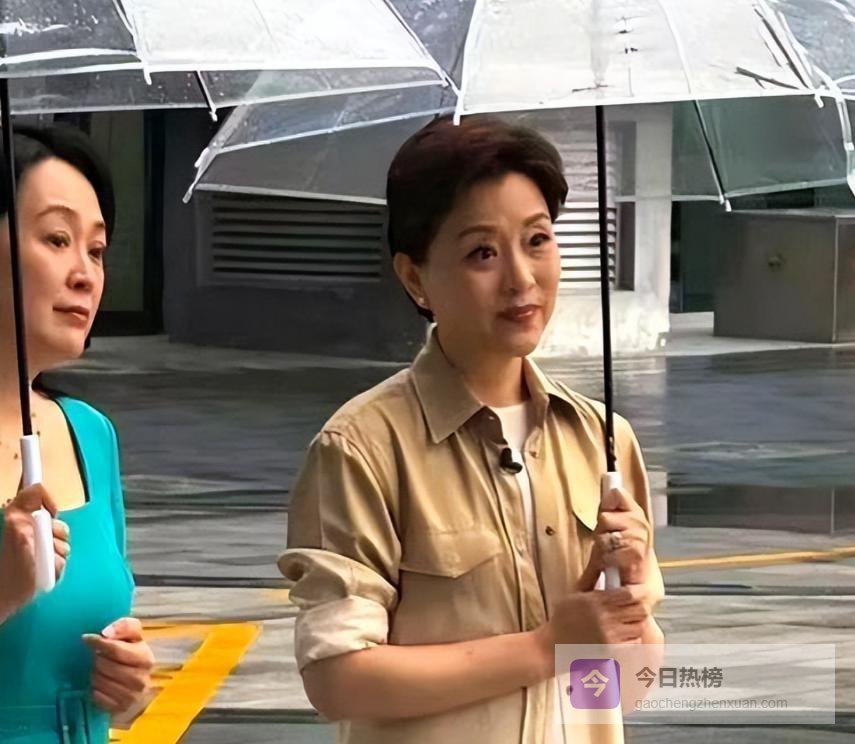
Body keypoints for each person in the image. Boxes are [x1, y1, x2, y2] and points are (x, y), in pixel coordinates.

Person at [279, 115, 665, 743]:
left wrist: (627, 594)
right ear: (415, 278)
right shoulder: (362, 449)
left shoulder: (603, 439)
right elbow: (338, 678)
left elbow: (630, 688)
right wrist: (547, 646)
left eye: (537, 240)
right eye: (482, 252)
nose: (522, 278)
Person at [0, 126, 154, 743]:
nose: (85, 274)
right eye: (57, 240)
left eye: (97, 250)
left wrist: (126, 687)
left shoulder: (90, 434)